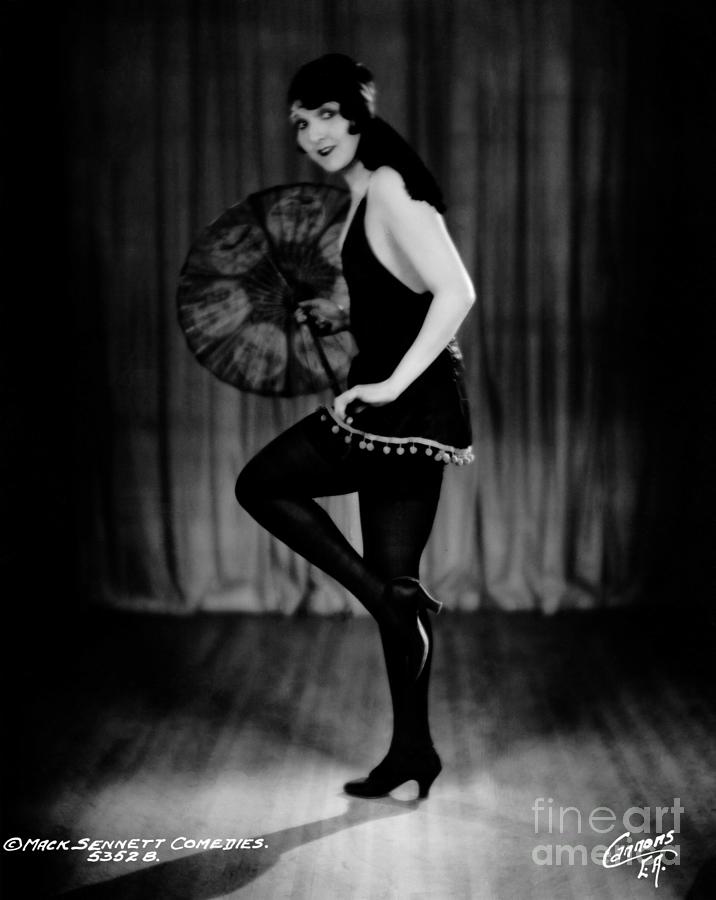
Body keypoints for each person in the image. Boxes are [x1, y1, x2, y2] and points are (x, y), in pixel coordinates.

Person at [235, 53, 475, 799]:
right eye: (302, 124)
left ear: (358, 112)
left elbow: (456, 292)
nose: (314, 134)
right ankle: (413, 752)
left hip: (405, 407)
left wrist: (393, 379)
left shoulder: (393, 189)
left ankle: (386, 601)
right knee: (400, 595)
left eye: (327, 115)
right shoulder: (369, 192)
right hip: (410, 409)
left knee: (263, 483)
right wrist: (344, 316)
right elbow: (406, 293)